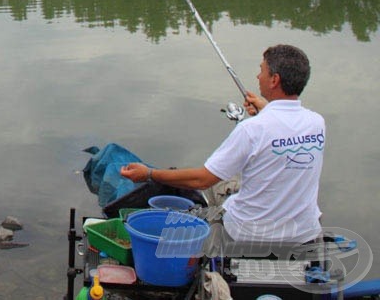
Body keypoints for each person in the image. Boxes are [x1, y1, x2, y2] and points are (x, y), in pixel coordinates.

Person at [120, 44, 325, 256]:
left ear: (274, 80)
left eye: (262, 70)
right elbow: (283, 130)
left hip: (249, 235)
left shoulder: (251, 129)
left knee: (214, 189)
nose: (257, 76)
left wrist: (150, 174)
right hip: (303, 233)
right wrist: (266, 108)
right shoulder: (317, 123)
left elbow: (202, 179)